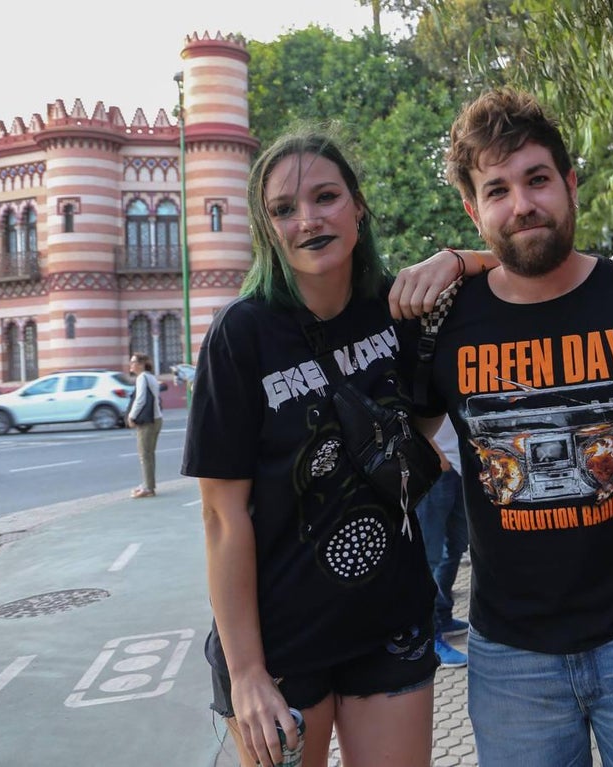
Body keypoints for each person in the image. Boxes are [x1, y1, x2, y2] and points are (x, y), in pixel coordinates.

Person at [414, 88, 613, 767]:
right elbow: (406, 446)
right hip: (510, 661)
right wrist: (458, 263)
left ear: (570, 184)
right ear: (473, 210)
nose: (522, 204)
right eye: (497, 189)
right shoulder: (442, 323)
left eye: (537, 179)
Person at [182, 131, 444, 767]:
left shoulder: (398, 311)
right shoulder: (240, 337)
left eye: (326, 197)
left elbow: (427, 423)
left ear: (358, 208)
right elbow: (222, 516)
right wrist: (246, 671)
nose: (309, 220)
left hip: (389, 621)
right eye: (284, 209)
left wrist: (457, 260)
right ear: (268, 229)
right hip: (278, 644)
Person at [416, 419, 470, 668]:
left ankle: (443, 614)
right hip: (435, 469)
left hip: (462, 467)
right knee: (429, 557)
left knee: (457, 544)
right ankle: (430, 639)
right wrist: (434, 453)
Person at [126, 352, 163, 498]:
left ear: (141, 364)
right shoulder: (151, 377)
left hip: (148, 421)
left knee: (145, 454)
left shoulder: (142, 378)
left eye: (133, 362)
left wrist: (132, 416)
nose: (131, 365)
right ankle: (148, 484)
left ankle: (148, 488)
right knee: (149, 454)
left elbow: (140, 399)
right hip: (157, 418)